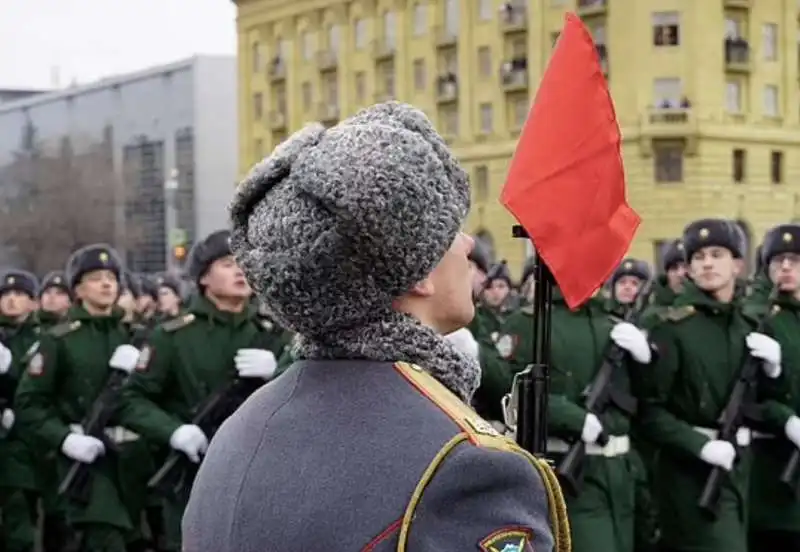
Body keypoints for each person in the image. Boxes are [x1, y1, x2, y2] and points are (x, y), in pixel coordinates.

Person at [182, 102, 570, 552]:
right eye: (450, 231)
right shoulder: (467, 464)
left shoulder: (241, 427)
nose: (468, 245)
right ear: (416, 272)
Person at [640, 218, 783, 552]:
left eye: (717, 254)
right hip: (691, 476)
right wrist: (700, 445)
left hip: (744, 471)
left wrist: (774, 370)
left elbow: (764, 402)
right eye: (698, 257)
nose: (706, 263)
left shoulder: (749, 326)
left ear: (737, 264)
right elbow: (649, 411)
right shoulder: (672, 327)